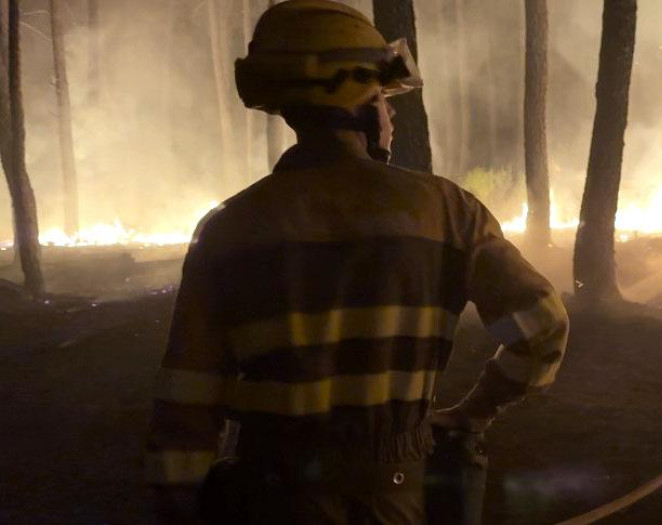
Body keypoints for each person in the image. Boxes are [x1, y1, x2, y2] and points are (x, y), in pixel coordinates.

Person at [145, 1, 569, 522]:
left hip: (271, 504)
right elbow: (542, 326)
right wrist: (472, 413)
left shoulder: (229, 230)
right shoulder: (447, 211)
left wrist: (179, 502)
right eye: (383, 98)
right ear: (359, 102)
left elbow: (188, 401)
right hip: (398, 503)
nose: (390, 114)